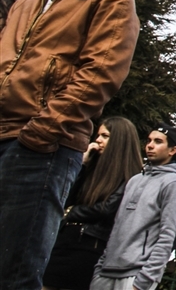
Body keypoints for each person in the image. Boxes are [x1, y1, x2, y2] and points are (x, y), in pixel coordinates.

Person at [0, 0, 140, 290]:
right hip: (5, 133)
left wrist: (42, 132)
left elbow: (101, 73)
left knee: (17, 274)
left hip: (43, 146)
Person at [42, 117, 143, 290]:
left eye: (105, 135)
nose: (98, 140)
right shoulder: (93, 169)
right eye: (98, 135)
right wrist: (82, 165)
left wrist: (71, 212)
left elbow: (108, 208)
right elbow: (66, 197)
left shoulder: (131, 176)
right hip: (64, 241)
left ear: (118, 140)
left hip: (89, 246)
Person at [90, 123, 176, 290]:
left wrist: (145, 280)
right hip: (105, 272)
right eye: (149, 140)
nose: (150, 145)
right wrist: (100, 267)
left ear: (172, 150)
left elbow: (167, 235)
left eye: (158, 141)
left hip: (135, 275)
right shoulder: (134, 180)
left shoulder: (173, 183)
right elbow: (117, 225)